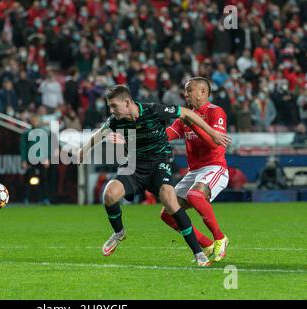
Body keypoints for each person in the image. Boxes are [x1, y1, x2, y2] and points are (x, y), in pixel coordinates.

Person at [77, 85, 231, 266]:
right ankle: (119, 233)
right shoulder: (116, 120)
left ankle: (199, 253)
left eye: (113, 106)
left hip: (159, 164)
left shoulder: (153, 110)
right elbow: (99, 134)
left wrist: (212, 132)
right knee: (109, 195)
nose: (111, 110)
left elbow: (186, 113)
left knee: (170, 201)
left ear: (127, 102)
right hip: (135, 166)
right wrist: (83, 151)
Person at [164, 77, 229, 262]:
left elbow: (213, 143)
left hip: (215, 167)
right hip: (194, 172)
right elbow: (167, 135)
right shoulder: (185, 115)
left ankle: (220, 238)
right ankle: (207, 243)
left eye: (189, 90)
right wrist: (141, 135)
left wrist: (191, 122)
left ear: (203, 92)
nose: (186, 94)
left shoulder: (215, 112)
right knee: (168, 211)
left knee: (195, 196)